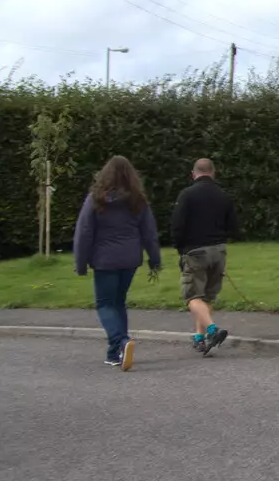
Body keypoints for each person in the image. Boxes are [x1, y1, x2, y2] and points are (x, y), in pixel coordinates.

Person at [73, 156, 161, 370]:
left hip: (104, 259)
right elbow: (149, 233)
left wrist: (81, 262)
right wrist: (154, 259)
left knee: (104, 304)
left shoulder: (96, 199)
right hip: (130, 258)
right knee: (118, 302)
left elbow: (84, 232)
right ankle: (115, 353)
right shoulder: (138, 201)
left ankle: (121, 341)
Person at [171, 157, 238, 355]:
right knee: (207, 296)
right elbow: (233, 227)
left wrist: (180, 249)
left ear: (194, 174)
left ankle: (212, 330)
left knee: (192, 296)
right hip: (218, 251)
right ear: (213, 173)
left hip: (195, 251)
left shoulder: (186, 195)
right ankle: (199, 337)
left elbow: (177, 225)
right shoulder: (223, 196)